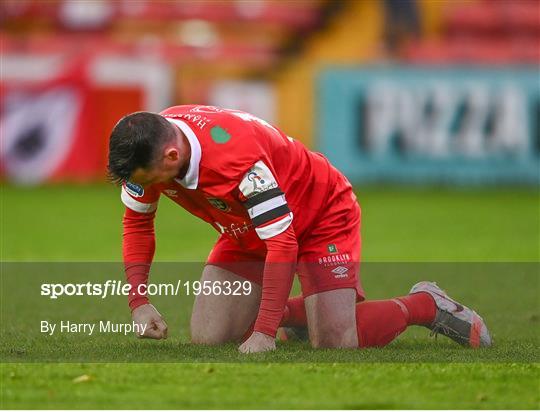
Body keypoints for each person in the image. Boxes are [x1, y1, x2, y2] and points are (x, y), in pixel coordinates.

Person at [107, 105, 492, 353]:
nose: (145, 185)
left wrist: (264, 332)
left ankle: (425, 305)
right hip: (246, 224)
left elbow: (283, 243)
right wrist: (139, 304)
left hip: (320, 214)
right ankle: (302, 316)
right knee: (211, 337)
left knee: (335, 341)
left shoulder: (237, 160)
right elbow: (137, 224)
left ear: (172, 157)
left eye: (147, 178)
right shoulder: (151, 142)